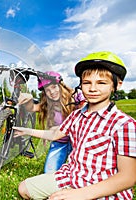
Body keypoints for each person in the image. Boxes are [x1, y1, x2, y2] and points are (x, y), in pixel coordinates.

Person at [13, 51, 136, 199]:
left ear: (117, 85)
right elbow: (55, 134)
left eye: (101, 83)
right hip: (73, 175)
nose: (93, 89)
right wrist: (26, 131)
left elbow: (128, 177)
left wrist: (80, 194)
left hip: (101, 184)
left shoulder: (124, 124)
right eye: (87, 83)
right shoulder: (76, 115)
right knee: (24, 188)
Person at [18, 71, 84, 173]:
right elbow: (31, 108)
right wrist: (28, 100)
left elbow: (86, 109)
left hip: (77, 141)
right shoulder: (48, 104)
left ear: (61, 85)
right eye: (47, 90)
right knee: (49, 172)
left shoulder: (74, 97)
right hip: (59, 141)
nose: (52, 92)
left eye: (54, 87)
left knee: (78, 171)